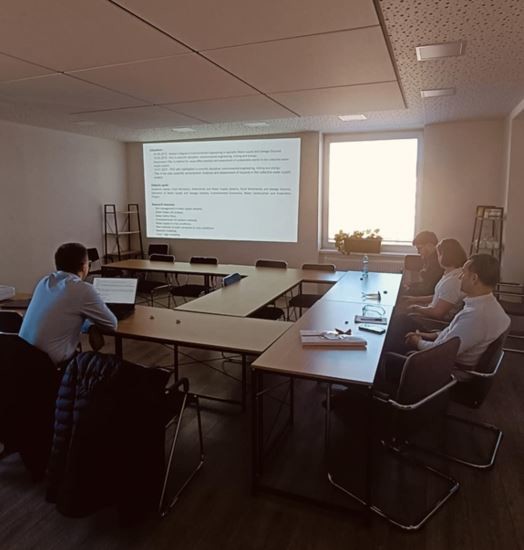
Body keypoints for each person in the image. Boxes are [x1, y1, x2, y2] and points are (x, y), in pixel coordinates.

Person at [19, 243, 117, 366]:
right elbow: (111, 324)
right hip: (48, 367)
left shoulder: (44, 281)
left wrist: (88, 324)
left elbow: (64, 312)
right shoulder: (82, 289)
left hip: (21, 359)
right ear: (83, 266)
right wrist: (91, 324)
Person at [405, 254, 510, 367]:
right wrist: (428, 335)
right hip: (443, 351)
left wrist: (417, 342)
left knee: (399, 332)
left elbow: (441, 353)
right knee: (404, 323)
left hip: (445, 368)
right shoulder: (488, 305)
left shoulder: (476, 317)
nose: (460, 277)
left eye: (463, 273)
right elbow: (455, 333)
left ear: (474, 279)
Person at [406, 238, 467, 320]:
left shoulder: (452, 282)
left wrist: (416, 308)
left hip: (433, 320)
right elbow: (439, 297)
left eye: (438, 254)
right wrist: (415, 299)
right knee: (403, 305)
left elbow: (437, 313)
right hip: (430, 309)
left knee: (401, 314)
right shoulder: (450, 273)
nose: (437, 258)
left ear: (445, 256)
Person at [403, 231, 444, 296]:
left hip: (430, 296)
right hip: (426, 291)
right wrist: (411, 285)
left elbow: (430, 290)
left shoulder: (438, 263)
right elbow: (426, 283)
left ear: (429, 245)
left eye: (419, 248)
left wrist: (409, 290)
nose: (418, 252)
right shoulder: (428, 258)